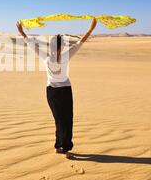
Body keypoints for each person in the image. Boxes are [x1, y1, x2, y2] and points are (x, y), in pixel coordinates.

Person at [16, 19, 97, 154]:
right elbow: (80, 42)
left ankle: (63, 146)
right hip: (57, 91)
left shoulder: (53, 56)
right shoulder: (60, 56)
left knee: (64, 119)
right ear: (59, 47)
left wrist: (22, 33)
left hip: (59, 91)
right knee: (61, 119)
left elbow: (80, 42)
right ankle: (61, 146)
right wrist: (90, 29)